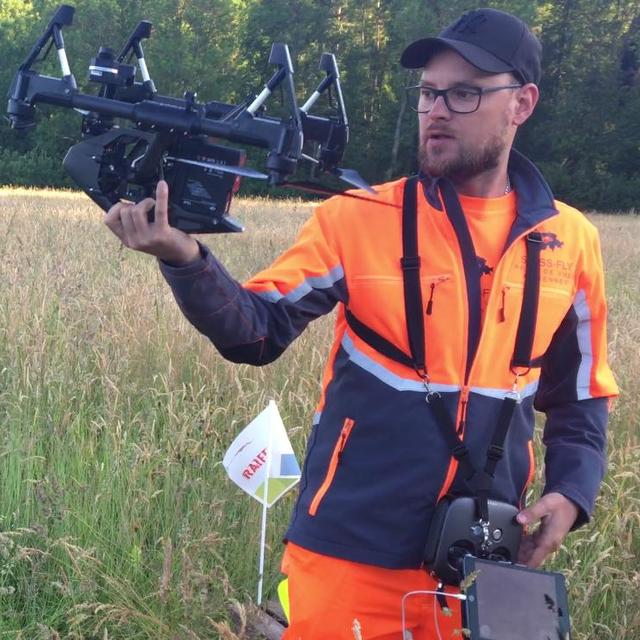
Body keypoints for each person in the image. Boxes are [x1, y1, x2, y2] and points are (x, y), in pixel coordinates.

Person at [104, 8, 618, 639]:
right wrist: (184, 259)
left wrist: (571, 492)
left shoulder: (571, 242)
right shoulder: (357, 218)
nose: (438, 110)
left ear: (522, 104)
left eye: (464, 92)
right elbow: (255, 331)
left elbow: (582, 397)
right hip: (347, 554)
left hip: (485, 567)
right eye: (430, 92)